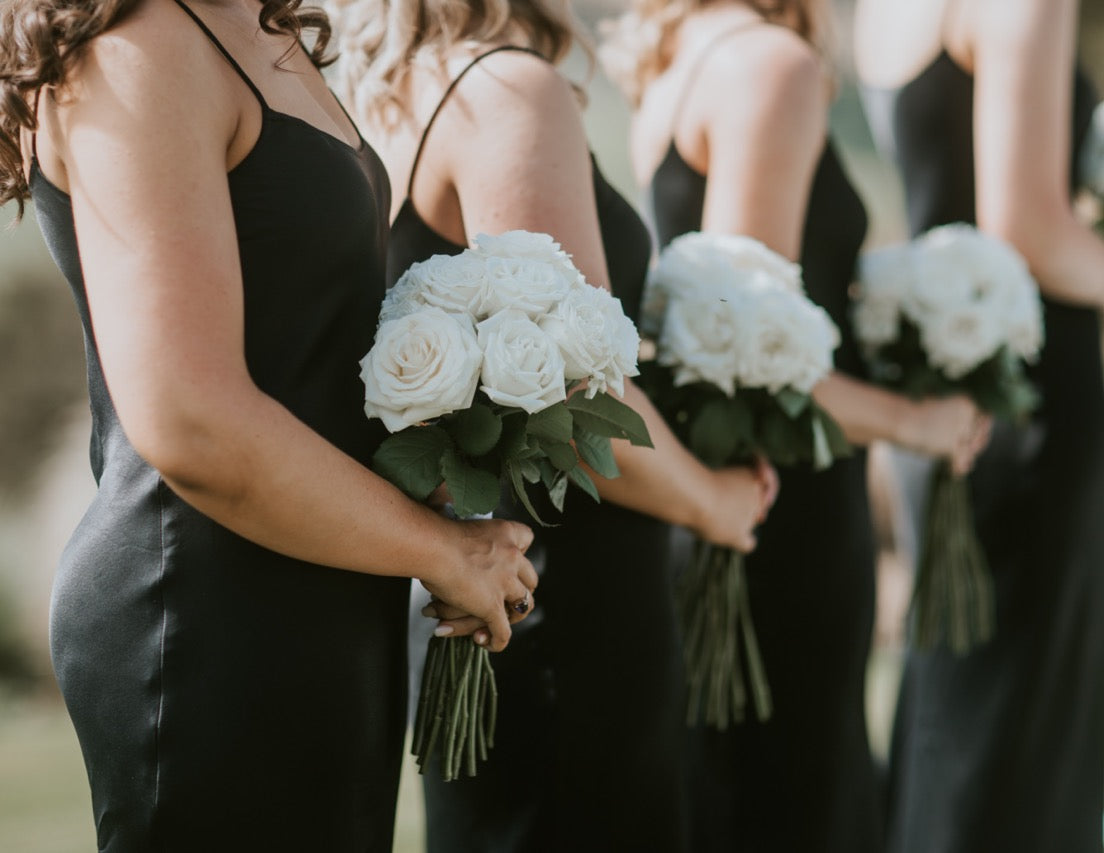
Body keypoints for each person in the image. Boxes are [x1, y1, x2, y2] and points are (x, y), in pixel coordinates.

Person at [0, 0, 543, 849]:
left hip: (323, 592)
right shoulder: (139, 47)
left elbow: (301, 343)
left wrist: (439, 462)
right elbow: (189, 420)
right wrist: (442, 553)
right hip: (203, 615)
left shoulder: (253, 22)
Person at [326, 1, 779, 849]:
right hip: (571, 607)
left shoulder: (378, 100)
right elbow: (578, 404)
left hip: (478, 590)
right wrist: (714, 501)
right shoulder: (508, 92)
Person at [609, 0, 991, 848]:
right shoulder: (770, 66)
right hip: (786, 510)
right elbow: (753, 361)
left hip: (721, 503)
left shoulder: (676, 57)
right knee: (800, 800)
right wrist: (916, 421)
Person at [852, 0, 1104, 850]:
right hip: (1029, 407)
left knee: (954, 724)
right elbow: (1029, 230)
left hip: (937, 409)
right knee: (1031, 743)